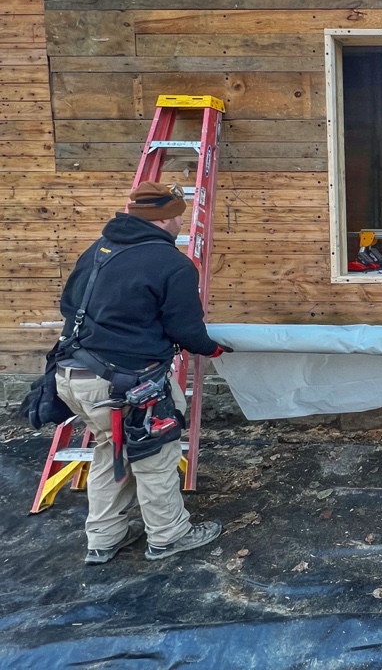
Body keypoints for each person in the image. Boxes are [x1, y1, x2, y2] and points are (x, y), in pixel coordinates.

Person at [54, 181, 231, 564]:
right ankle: (168, 536)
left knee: (109, 448)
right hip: (127, 385)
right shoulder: (172, 264)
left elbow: (68, 305)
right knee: (155, 457)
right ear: (165, 218)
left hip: (74, 376)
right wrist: (211, 347)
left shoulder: (98, 251)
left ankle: (103, 538)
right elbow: (185, 328)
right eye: (179, 217)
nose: (181, 223)